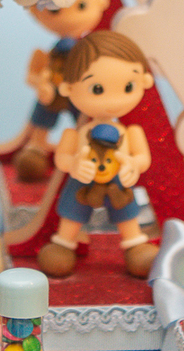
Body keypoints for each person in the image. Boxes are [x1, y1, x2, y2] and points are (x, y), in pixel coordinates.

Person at [37, 30, 157, 279]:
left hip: (119, 183)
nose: (113, 100)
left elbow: (143, 158)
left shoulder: (131, 132)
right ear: (69, 88)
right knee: (72, 211)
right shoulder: (75, 133)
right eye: (98, 89)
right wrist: (74, 164)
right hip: (82, 181)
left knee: (126, 212)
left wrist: (133, 165)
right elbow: (62, 159)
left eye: (128, 87)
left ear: (145, 81)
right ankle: (64, 243)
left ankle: (134, 243)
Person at [0, 0, 108, 182]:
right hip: (51, 97)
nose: (70, 18)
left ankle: (86, 151)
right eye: (55, 10)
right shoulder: (44, 55)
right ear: (35, 10)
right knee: (41, 122)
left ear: (102, 2)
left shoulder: (91, 54)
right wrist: (41, 84)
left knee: (84, 126)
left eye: (81, 6)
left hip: (79, 99)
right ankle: (36, 148)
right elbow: (31, 75)